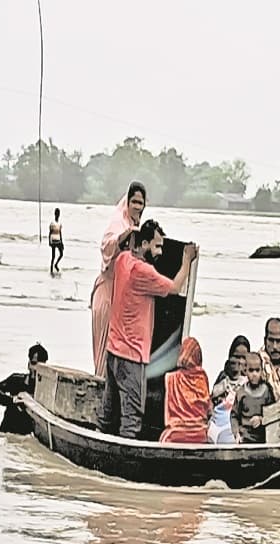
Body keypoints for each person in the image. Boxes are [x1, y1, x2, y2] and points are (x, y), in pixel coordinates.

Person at [96, 219, 197, 439]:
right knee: (131, 419)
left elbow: (122, 246)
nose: (160, 252)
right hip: (131, 355)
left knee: (108, 412)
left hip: (114, 351)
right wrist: (187, 260)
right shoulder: (143, 271)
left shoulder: (124, 260)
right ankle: (122, 464)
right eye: (157, 246)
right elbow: (175, 287)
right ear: (143, 244)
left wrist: (131, 233)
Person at [91, 181, 147, 377]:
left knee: (115, 353)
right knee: (104, 352)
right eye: (134, 202)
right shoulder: (118, 223)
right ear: (127, 202)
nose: (137, 207)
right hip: (107, 294)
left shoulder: (137, 228)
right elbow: (107, 245)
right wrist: (124, 236)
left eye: (141, 203)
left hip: (121, 300)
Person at [0, 343, 49, 435]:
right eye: (33, 363)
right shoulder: (16, 380)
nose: (36, 369)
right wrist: (12, 400)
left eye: (40, 366)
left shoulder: (47, 389)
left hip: (28, 437)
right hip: (7, 434)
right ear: (28, 364)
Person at [160, 337, 212, 444]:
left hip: (175, 434)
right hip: (200, 434)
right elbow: (208, 408)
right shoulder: (202, 377)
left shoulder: (170, 379)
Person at [233, 352, 277, 444]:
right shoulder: (241, 392)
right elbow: (234, 416)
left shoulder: (267, 391)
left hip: (263, 439)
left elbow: (274, 414)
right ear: (245, 371)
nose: (254, 374)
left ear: (262, 370)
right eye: (251, 370)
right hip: (245, 439)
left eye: (257, 370)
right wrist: (236, 433)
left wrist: (261, 419)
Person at [208, 356, 244, 444]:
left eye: (238, 363)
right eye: (232, 363)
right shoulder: (221, 385)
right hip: (219, 424)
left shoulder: (245, 383)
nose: (235, 366)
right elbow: (212, 399)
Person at [258, 317, 280, 399]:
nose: (275, 346)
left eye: (278, 341)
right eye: (271, 340)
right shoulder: (257, 363)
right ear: (265, 341)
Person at [49, 207, 64, 277]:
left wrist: (62, 242)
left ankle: (56, 264)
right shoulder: (52, 223)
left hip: (58, 240)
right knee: (53, 256)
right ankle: (51, 269)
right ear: (55, 214)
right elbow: (50, 233)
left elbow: (60, 233)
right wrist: (50, 241)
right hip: (53, 240)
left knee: (61, 254)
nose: (57, 215)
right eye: (56, 214)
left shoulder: (59, 223)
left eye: (58, 214)